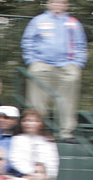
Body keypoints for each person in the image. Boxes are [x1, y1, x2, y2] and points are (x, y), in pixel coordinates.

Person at [21, 0, 86, 143]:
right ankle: (37, 131)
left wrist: (78, 63)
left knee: (68, 98)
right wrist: (31, 60)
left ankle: (66, 132)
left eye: (61, 2)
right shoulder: (38, 21)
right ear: (48, 3)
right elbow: (27, 41)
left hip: (67, 65)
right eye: (54, 1)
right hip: (42, 63)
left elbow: (81, 45)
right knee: (36, 99)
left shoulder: (74, 22)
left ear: (66, 5)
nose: (57, 5)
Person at [10, 109, 59, 180]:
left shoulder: (48, 141)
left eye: (34, 121)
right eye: (26, 120)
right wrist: (32, 174)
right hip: (24, 178)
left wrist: (43, 177)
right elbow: (15, 160)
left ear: (40, 123)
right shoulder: (17, 139)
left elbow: (53, 163)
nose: (29, 124)